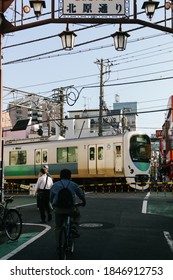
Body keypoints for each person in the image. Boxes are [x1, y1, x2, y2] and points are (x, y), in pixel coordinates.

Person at [50, 169, 86, 243]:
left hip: (58, 209)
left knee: (58, 227)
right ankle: (74, 227)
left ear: (60, 176)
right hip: (70, 208)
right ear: (70, 176)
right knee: (77, 215)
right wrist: (83, 201)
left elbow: (51, 197)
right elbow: (81, 194)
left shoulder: (55, 185)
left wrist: (53, 205)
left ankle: (59, 246)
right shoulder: (73, 184)